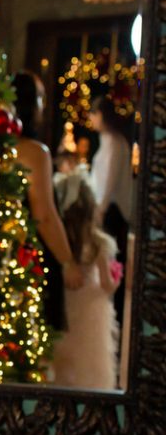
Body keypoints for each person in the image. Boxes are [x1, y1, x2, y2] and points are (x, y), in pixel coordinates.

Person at [12, 71, 83, 330]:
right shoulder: (34, 152)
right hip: (30, 257)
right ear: (29, 103)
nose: (43, 105)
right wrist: (67, 261)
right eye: (40, 97)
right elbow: (43, 215)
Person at [51, 171, 120, 390]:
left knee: (62, 358)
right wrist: (116, 282)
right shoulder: (99, 243)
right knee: (89, 359)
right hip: (90, 310)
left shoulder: (58, 245)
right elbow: (107, 285)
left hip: (64, 307)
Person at [88, 95, 134, 325]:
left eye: (93, 114)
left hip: (112, 211)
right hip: (105, 209)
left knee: (112, 261)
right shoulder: (108, 141)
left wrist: (100, 209)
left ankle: (113, 314)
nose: (91, 119)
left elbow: (109, 181)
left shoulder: (115, 142)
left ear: (101, 115)